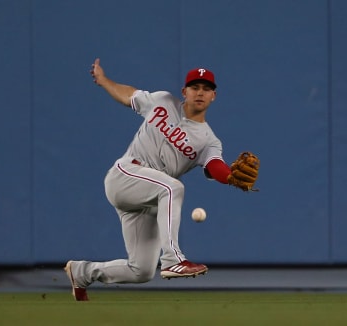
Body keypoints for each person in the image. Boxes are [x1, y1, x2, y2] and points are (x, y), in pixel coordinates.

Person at [65, 58, 235, 301]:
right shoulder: (163, 101)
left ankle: (81, 272)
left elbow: (215, 166)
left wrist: (231, 177)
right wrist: (104, 81)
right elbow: (129, 95)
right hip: (125, 176)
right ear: (184, 92)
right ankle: (173, 259)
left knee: (141, 270)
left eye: (206, 88)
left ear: (213, 96)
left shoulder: (208, 140)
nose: (200, 92)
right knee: (173, 187)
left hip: (146, 198)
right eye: (195, 87)